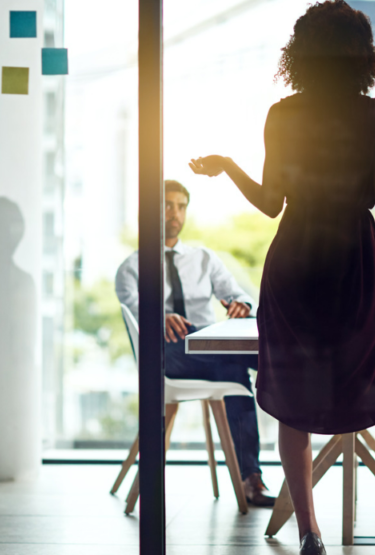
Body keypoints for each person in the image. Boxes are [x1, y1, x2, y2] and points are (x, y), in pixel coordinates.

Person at [187, 0, 375, 555]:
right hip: (352, 266)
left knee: (294, 400)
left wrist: (228, 167)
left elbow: (269, 204)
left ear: (301, 52)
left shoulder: (282, 115)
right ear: (361, 53)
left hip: (295, 265)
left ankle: (309, 533)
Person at [115, 180, 276, 507]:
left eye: (181, 206)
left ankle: (252, 477)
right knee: (250, 363)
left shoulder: (204, 258)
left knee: (243, 368)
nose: (174, 213)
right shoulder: (131, 267)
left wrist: (241, 304)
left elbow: (236, 293)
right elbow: (134, 311)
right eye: (167, 205)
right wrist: (158, 316)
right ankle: (252, 476)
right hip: (168, 356)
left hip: (212, 352)